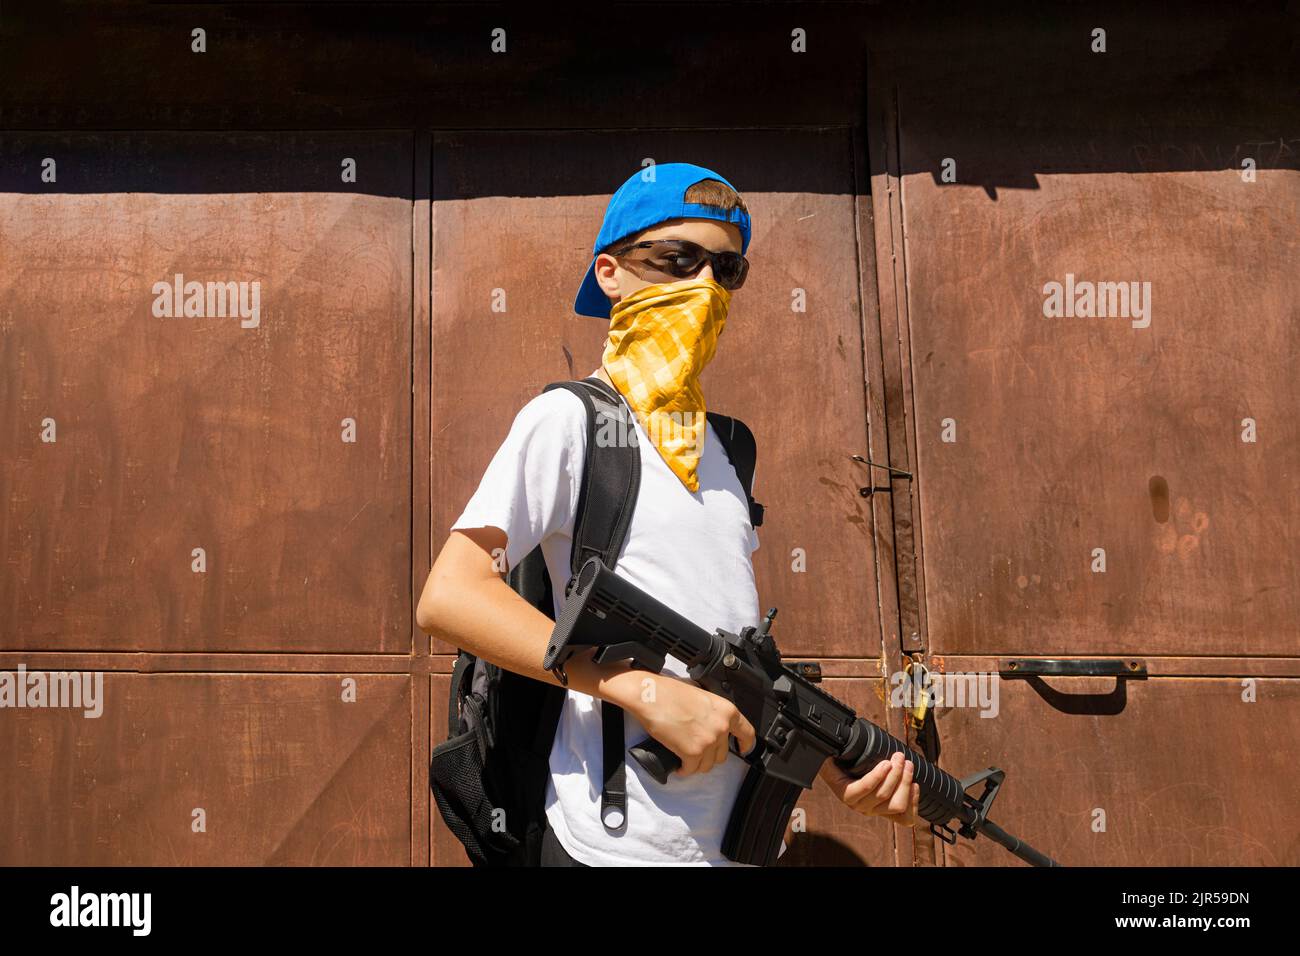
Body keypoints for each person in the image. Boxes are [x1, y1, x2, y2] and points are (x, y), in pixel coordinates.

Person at [417, 162, 920, 866]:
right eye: (678, 259)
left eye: (727, 269)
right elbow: (449, 597)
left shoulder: (725, 450)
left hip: (738, 849)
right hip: (613, 845)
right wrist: (636, 687)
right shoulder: (571, 421)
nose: (705, 287)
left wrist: (831, 760)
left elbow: (733, 655)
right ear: (612, 273)